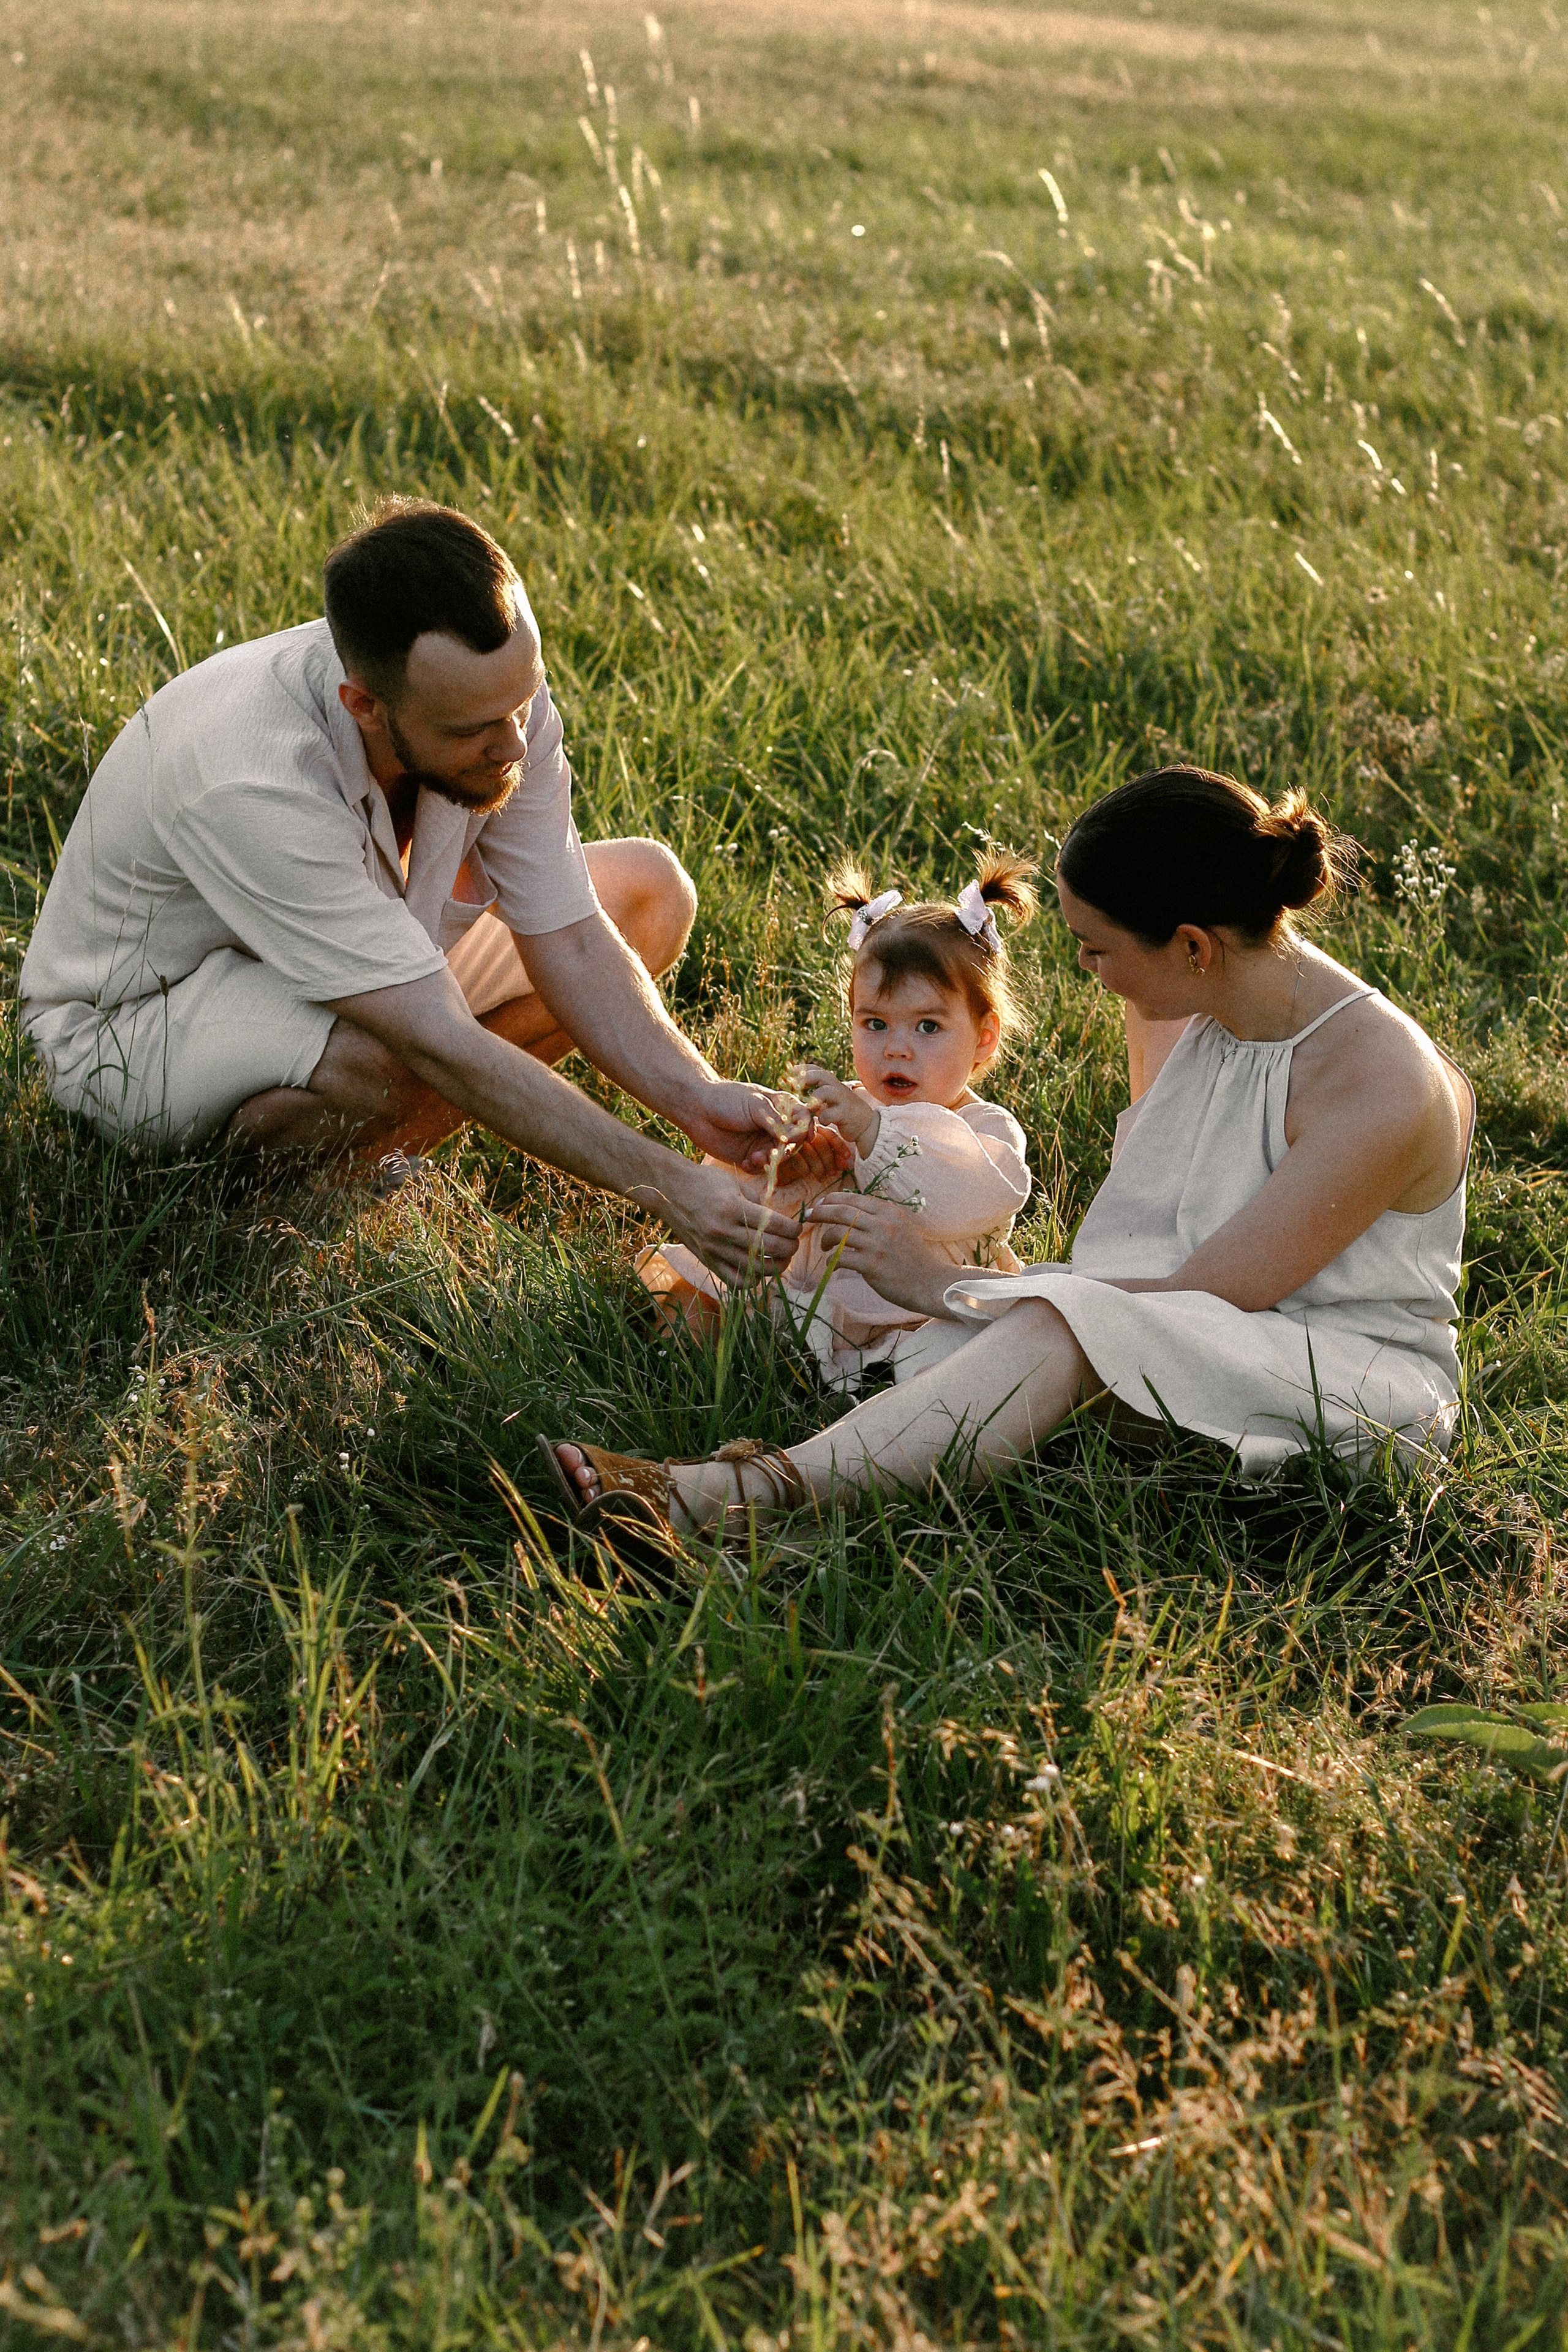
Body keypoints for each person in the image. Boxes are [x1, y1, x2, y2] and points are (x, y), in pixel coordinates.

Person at [545, 766, 1475, 1537]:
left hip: (1341, 1380)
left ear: (1192, 945)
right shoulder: (1189, 998)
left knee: (1040, 1322)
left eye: (1094, 949)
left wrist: (942, 1283)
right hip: (1161, 1322)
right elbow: (1152, 1241)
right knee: (983, 1330)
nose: (1086, 970)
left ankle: (732, 1498)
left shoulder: (1378, 1085)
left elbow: (1214, 1293)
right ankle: (856, 1412)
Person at [19, 497, 838, 1283]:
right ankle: (242, 1211)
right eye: (474, 731)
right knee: (396, 1052)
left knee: (647, 892)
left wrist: (697, 1104)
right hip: (135, 1027)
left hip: (347, 954)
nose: (513, 744)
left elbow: (575, 938)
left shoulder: (486, 696)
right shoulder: (250, 774)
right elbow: (436, 1039)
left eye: (523, 704)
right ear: (365, 706)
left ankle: (352, 1169)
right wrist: (670, 1188)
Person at [636, 854, 1035, 1392]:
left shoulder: (987, 1130)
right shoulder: (843, 1110)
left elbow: (967, 1195)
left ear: (983, 1037)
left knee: (957, 1356)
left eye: (927, 1026)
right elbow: (736, 1194)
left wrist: (874, 1133)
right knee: (694, 1296)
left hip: (911, 1320)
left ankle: (874, 1393)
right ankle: (687, 1380)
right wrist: (780, 1169)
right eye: (875, 1023)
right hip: (799, 1308)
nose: (896, 1049)